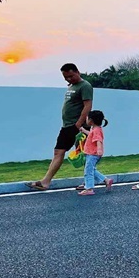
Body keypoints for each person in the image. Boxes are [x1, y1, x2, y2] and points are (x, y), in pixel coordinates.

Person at [27, 63, 93, 191]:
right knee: (58, 151)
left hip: (77, 126)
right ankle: (45, 182)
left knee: (85, 155)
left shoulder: (85, 86)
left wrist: (79, 124)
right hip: (67, 125)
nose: (68, 79)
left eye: (71, 76)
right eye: (66, 77)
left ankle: (89, 183)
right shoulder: (72, 86)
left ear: (77, 72)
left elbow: (87, 106)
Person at [77, 110, 112, 196]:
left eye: (87, 118)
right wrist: (83, 130)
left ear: (91, 120)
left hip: (93, 154)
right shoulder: (95, 129)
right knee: (91, 169)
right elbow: (91, 135)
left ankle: (89, 188)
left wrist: (99, 150)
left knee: (88, 171)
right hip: (90, 154)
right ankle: (106, 180)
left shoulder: (97, 130)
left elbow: (98, 140)